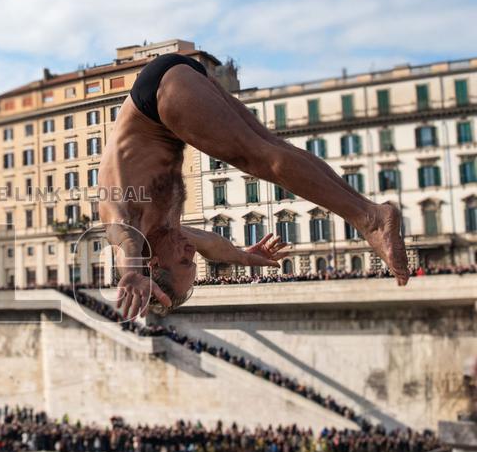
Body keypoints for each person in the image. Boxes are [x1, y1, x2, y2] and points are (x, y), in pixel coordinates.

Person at [100, 53, 409, 320]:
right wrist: (245, 257)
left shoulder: (130, 222)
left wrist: (131, 272)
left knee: (259, 160)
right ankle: (370, 212)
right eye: (192, 262)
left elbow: (121, 234)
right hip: (176, 85)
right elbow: (209, 244)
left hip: (157, 99)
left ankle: (370, 219)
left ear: (152, 264)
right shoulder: (167, 234)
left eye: (184, 261)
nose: (191, 252)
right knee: (273, 147)